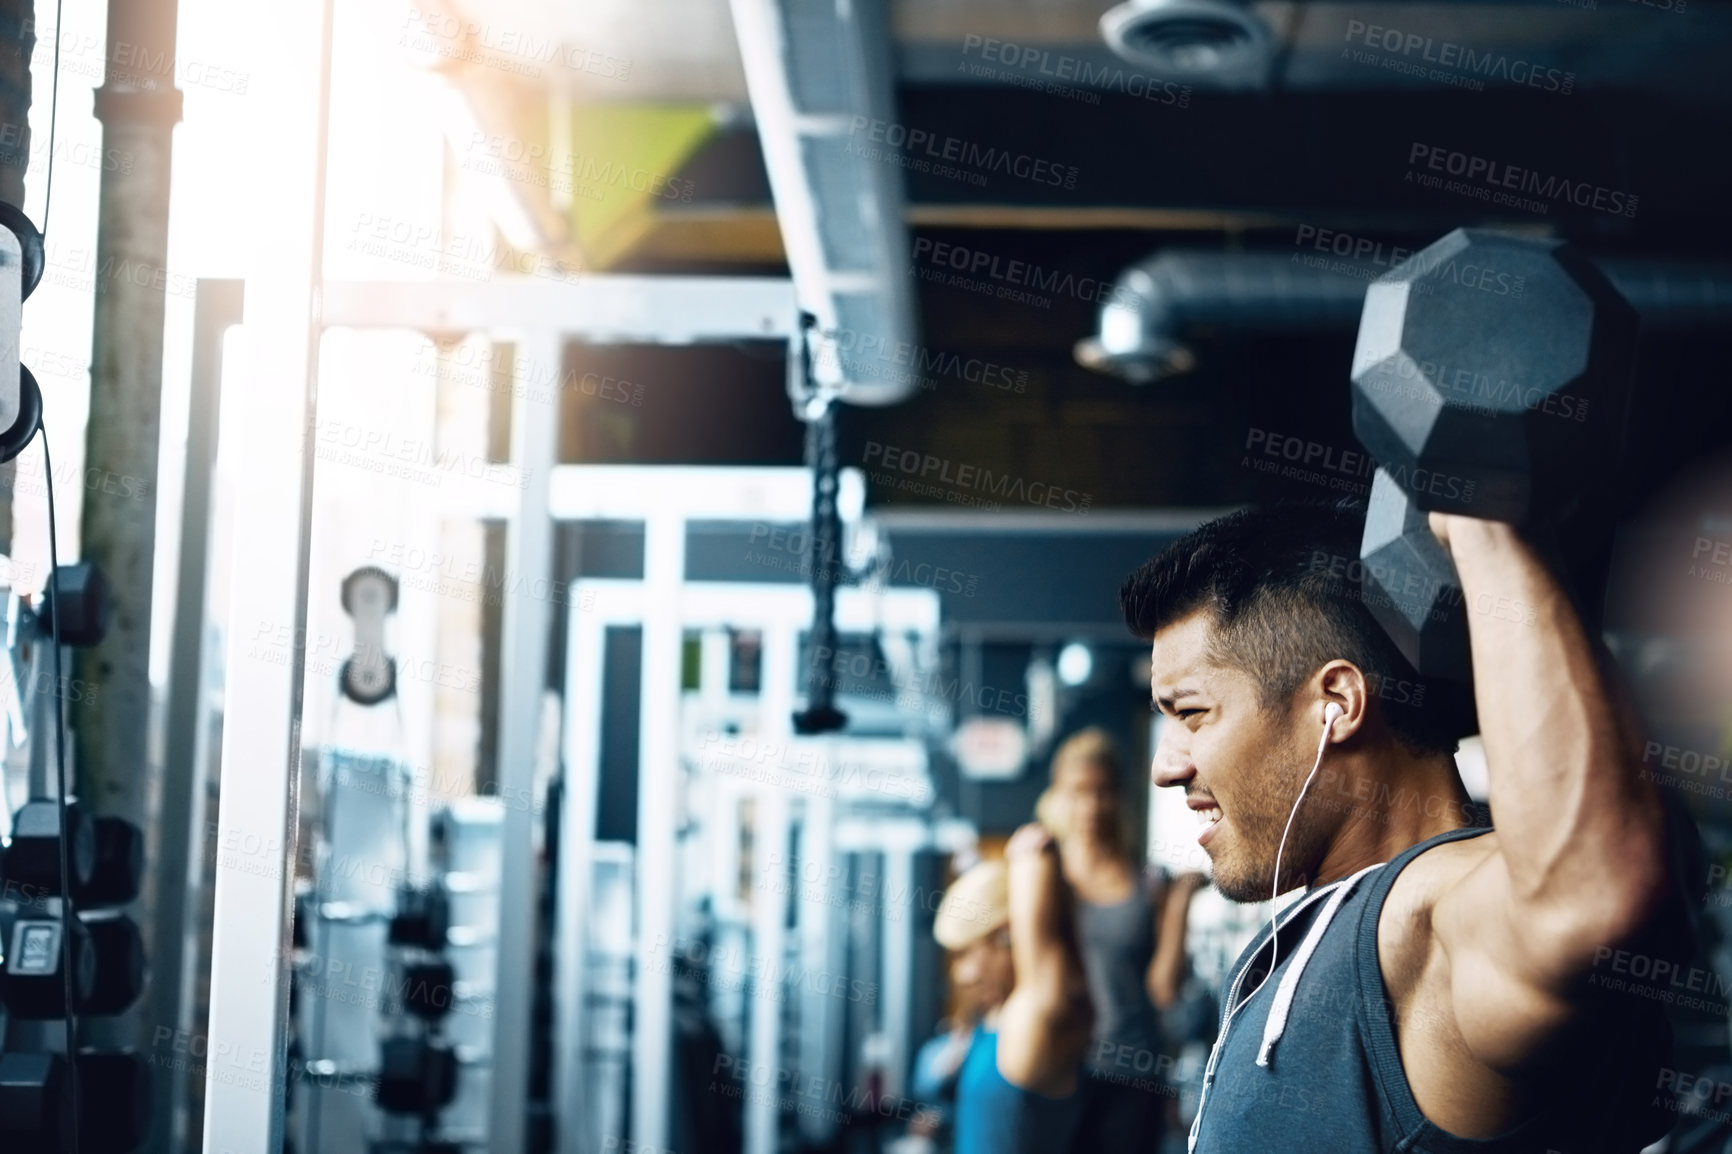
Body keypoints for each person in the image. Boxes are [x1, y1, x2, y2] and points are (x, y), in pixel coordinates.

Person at [1119, 500, 1687, 1152]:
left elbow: (1593, 888)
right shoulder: (1320, 927)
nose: (1166, 767)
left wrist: (1485, 519)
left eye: (1190, 713)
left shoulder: (1424, 917)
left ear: (1335, 704)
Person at [1035, 728, 1207, 1147]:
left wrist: (1180, 903)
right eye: (1079, 792)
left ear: (1120, 796)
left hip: (1135, 1077)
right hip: (1062, 1071)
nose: (1092, 806)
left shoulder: (1148, 886)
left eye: (1103, 791)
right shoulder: (1048, 881)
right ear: (1060, 796)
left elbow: (1164, 991)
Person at [932, 825, 1094, 1154]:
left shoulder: (1031, 1021)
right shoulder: (994, 1016)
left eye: (966, 954)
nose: (961, 975)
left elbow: (1032, 851)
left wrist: (1028, 857)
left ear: (1007, 936)